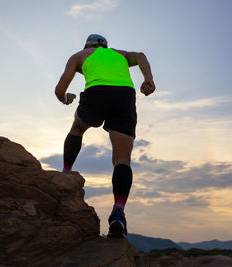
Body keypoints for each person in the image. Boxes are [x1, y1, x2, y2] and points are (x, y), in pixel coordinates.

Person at [55, 34, 155, 238]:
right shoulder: (120, 54)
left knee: (77, 128)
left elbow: (59, 89)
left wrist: (66, 98)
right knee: (122, 160)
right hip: (124, 97)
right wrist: (148, 79)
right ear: (106, 47)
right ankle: (118, 210)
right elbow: (142, 55)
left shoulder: (79, 55)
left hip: (97, 94)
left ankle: (66, 172)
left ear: (88, 45)